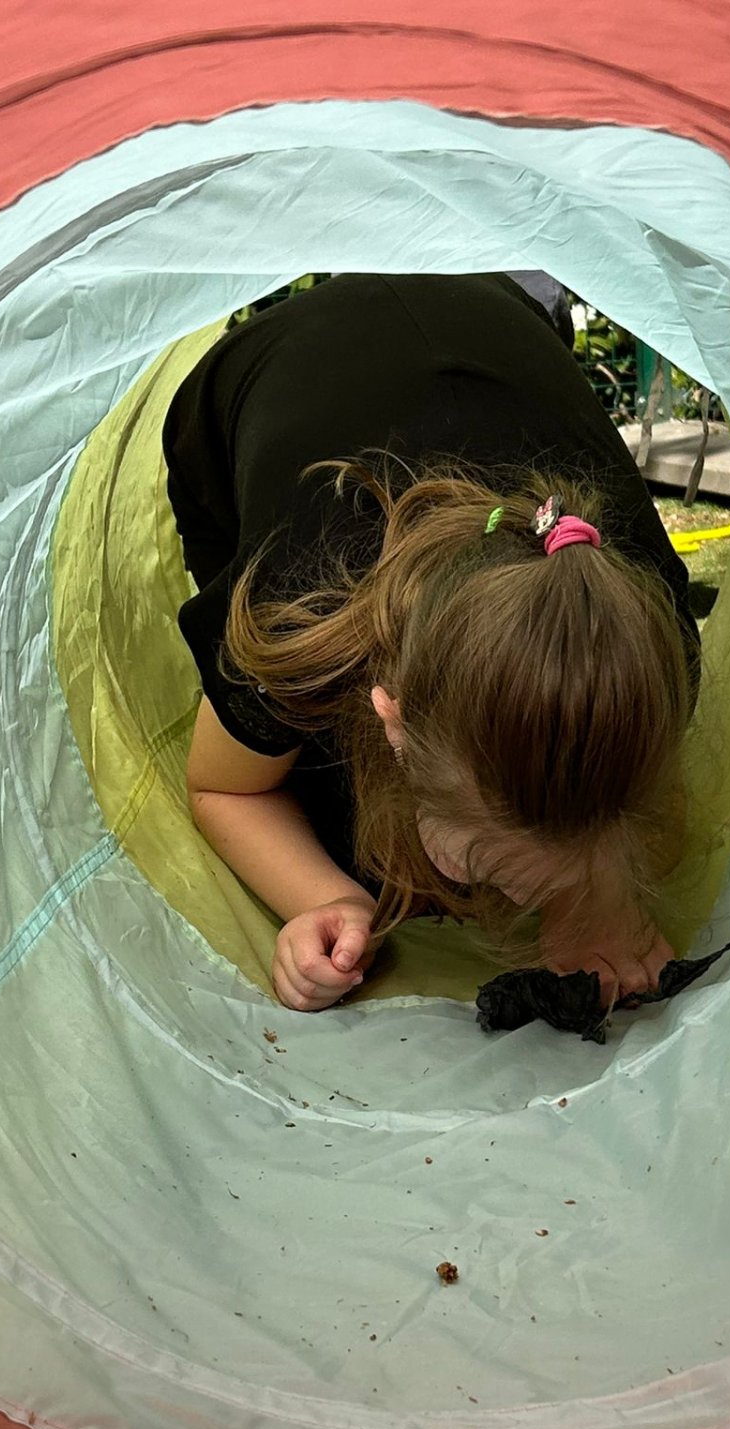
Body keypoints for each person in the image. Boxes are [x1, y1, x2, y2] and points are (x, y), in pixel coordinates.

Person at [162, 272, 699, 1013]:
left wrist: (598, 903)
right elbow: (223, 786)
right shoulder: (292, 624)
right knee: (327, 802)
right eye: (496, 872)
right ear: (394, 720)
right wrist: (325, 898)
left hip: (489, 318)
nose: (516, 898)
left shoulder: (647, 625)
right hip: (263, 379)